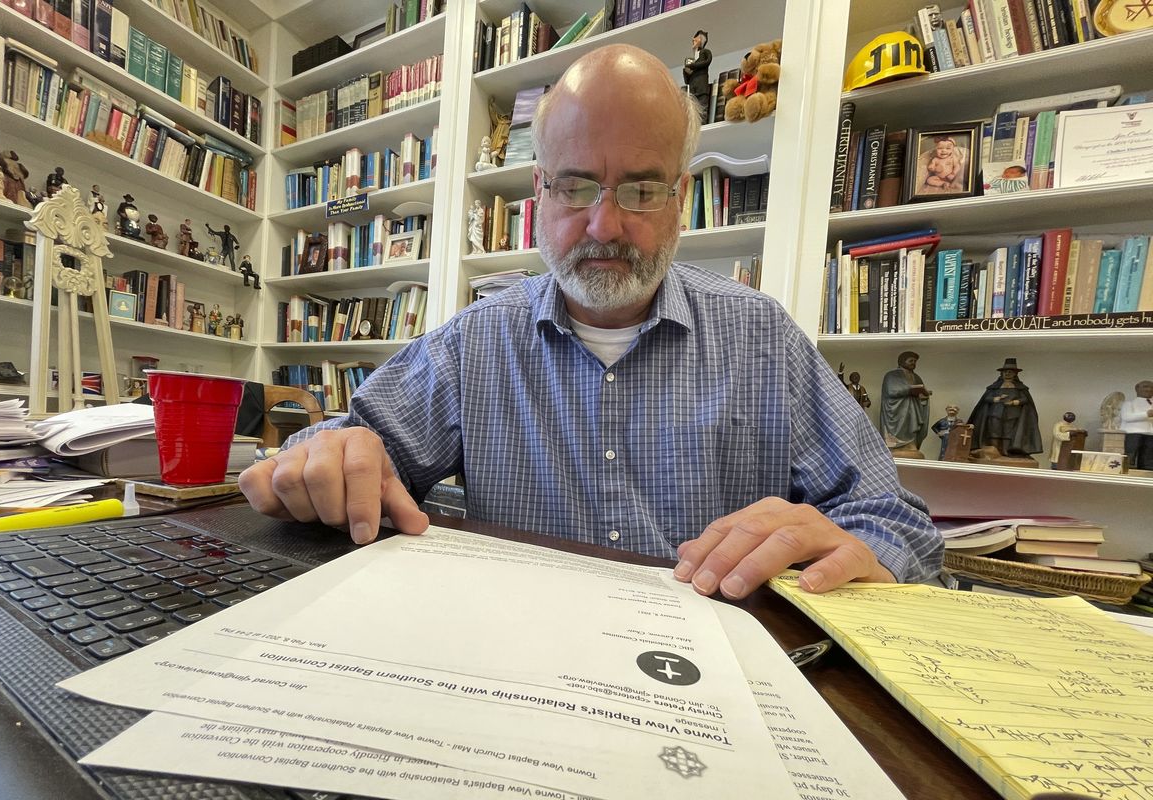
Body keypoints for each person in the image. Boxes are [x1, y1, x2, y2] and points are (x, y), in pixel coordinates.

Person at [239, 44, 942, 600]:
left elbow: (899, 523)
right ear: (538, 191)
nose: (605, 225)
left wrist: (843, 547)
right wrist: (325, 457)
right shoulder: (475, 342)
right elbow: (358, 446)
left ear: (680, 197)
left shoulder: (763, 339)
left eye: (641, 189)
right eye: (576, 186)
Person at [968, 357, 1042, 458]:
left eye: (1010, 372)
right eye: (1005, 372)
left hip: (1012, 415)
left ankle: (1006, 451)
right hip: (995, 414)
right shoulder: (995, 387)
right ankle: (994, 451)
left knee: (1008, 433)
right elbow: (986, 398)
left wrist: (1014, 402)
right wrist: (996, 399)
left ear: (1015, 374)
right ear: (1001, 373)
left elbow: (1025, 399)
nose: (1007, 374)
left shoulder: (1020, 388)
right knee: (994, 431)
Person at [879, 351, 931, 454]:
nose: (913, 363)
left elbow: (921, 395)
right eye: (910, 360)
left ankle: (910, 445)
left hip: (913, 411)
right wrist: (909, 390)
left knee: (912, 427)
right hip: (896, 411)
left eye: (915, 361)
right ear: (902, 361)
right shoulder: (891, 375)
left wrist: (924, 395)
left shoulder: (917, 377)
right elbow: (890, 391)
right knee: (896, 432)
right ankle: (895, 446)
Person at [1120, 380, 1153, 469]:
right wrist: (1146, 414)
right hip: (1133, 433)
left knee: (1148, 456)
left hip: (1150, 434)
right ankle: (1127, 468)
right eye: (1145, 386)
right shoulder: (1129, 404)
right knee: (1131, 453)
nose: (1149, 389)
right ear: (1137, 388)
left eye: (1151, 387)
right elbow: (1126, 417)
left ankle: (1147, 471)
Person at [682, 30, 712, 125]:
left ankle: (702, 122)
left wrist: (693, 66)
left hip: (701, 85)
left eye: (696, 38)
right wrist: (686, 71)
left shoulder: (705, 52)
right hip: (692, 86)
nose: (693, 39)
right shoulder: (693, 58)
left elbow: (707, 61)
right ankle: (694, 124)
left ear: (701, 40)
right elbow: (687, 81)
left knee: (702, 105)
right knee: (693, 106)